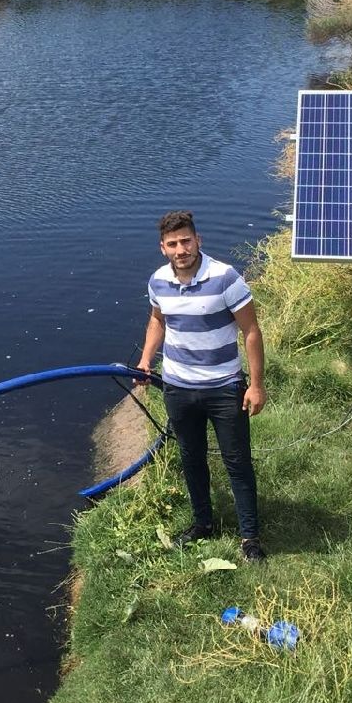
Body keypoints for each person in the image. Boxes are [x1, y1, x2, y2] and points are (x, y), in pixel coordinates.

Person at [135, 210, 267, 563]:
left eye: (187, 241)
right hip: (178, 388)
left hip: (225, 387)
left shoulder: (226, 278)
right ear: (163, 248)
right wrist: (147, 360)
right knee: (191, 459)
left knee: (237, 462)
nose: (181, 250)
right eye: (173, 244)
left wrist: (256, 386)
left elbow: (251, 331)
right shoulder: (158, 281)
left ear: (199, 241)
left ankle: (249, 538)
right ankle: (202, 524)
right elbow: (157, 321)